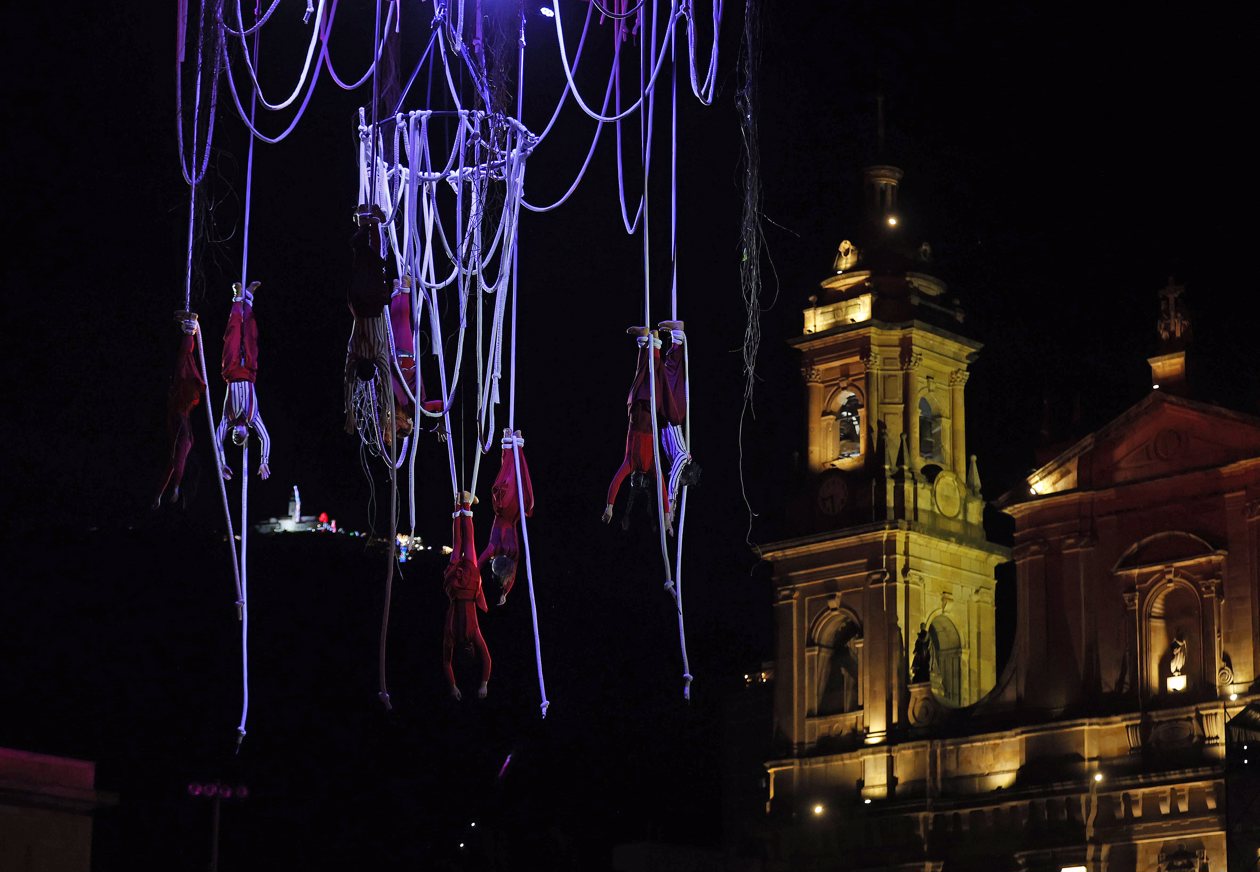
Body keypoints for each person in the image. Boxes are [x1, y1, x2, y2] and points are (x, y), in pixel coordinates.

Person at [602, 321, 695, 532]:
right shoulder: (633, 463)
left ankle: (652, 342)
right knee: (643, 375)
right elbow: (617, 482)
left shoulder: (653, 466)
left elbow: (662, 488)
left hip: (656, 414)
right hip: (641, 414)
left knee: (656, 377)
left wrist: (667, 516)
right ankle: (648, 342)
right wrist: (609, 507)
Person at [216, 282, 270, 481]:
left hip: (230, 371)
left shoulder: (227, 420)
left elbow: (217, 441)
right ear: (247, 433)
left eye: (234, 438)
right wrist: (264, 461)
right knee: (250, 336)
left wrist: (221, 463)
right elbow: (265, 437)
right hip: (248, 372)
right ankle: (248, 298)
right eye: (242, 439)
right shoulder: (253, 418)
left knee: (232, 335)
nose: (237, 438)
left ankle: (238, 297)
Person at [153, 311, 206, 508]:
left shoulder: (179, 448)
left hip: (181, 403)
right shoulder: (185, 442)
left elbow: (172, 467)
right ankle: (188, 330)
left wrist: (160, 494)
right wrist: (174, 488)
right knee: (184, 363)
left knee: (185, 363)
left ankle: (187, 330)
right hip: (183, 402)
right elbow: (178, 464)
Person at [443, 492, 491, 700]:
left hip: (469, 588)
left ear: (470, 649)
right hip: (455, 587)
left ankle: (464, 504)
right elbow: (446, 662)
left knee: (467, 544)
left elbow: (487, 659)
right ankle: (459, 505)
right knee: (459, 545)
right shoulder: (452, 637)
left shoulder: (473, 635)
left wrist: (484, 684)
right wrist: (452, 686)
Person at [478, 429, 534, 606]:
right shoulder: (503, 553)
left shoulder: (497, 550)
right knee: (512, 477)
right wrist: (504, 593)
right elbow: (479, 565)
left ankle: (511, 441)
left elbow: (477, 566)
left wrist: (479, 588)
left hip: (509, 508)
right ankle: (514, 443)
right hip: (512, 510)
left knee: (510, 478)